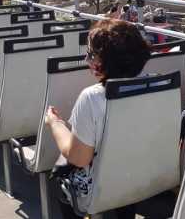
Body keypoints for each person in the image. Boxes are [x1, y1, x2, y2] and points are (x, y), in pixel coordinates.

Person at [44, 20, 152, 218]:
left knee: (59, 172)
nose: (87, 59)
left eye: (91, 54)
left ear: (106, 62)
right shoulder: (157, 86)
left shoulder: (92, 98)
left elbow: (79, 158)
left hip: (101, 188)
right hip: (144, 178)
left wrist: (55, 123)